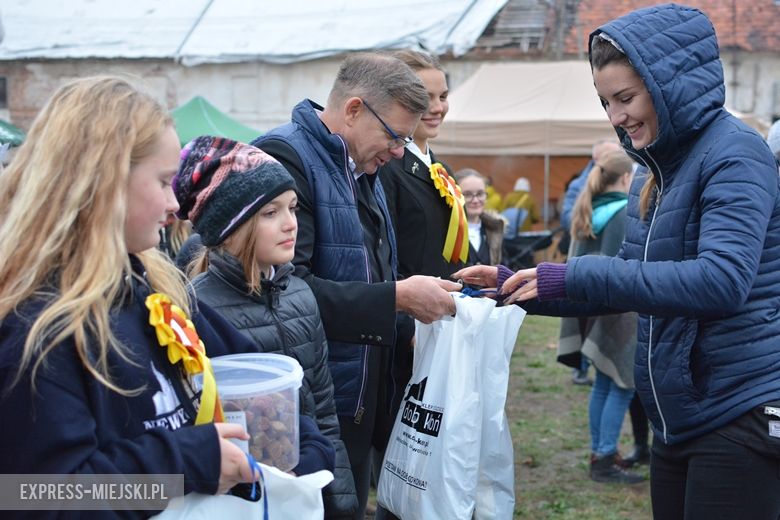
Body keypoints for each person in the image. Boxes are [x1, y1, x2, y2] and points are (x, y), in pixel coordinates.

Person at [455, 4, 780, 518]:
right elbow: (627, 276)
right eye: (606, 102)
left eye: (625, 98)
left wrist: (577, 273)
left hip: (735, 409)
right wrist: (519, 285)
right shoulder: (651, 170)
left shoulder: (735, 154)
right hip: (680, 415)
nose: (615, 117)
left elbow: (721, 281)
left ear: (670, 86)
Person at [0, 76, 334, 518]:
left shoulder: (155, 287)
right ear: (103, 184)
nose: (176, 205)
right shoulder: (36, 330)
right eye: (162, 182)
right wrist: (186, 461)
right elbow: (33, 497)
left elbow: (257, 381)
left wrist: (300, 449)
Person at [251, 52, 460, 520]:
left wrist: (408, 316)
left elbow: (369, 269)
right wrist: (397, 298)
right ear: (353, 110)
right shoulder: (284, 157)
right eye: (395, 136)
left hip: (359, 393)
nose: (400, 152)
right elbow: (282, 290)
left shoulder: (362, 166)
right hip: (315, 401)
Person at [174, 135, 358, 517]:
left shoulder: (301, 295)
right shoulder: (195, 309)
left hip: (305, 491)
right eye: (270, 213)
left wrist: (340, 496)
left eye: (292, 208)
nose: (291, 224)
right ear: (231, 227)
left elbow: (323, 411)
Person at [557, 149, 643, 484]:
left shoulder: (589, 208)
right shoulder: (621, 212)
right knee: (621, 384)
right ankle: (604, 458)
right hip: (619, 311)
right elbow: (621, 268)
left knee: (605, 382)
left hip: (592, 310)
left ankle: (600, 452)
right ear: (626, 178)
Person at [380, 49, 468, 277]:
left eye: (443, 97)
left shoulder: (444, 172)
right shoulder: (384, 167)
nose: (438, 108)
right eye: (425, 97)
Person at [559, 139, 621, 231]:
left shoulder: (624, 179)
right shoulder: (579, 185)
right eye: (612, 156)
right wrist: (597, 223)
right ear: (596, 158)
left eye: (620, 155)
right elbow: (567, 219)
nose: (619, 160)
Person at [454, 168, 505, 265]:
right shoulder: (446, 230)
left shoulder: (495, 228)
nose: (475, 200)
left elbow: (503, 265)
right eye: (467, 194)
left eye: (480, 194)